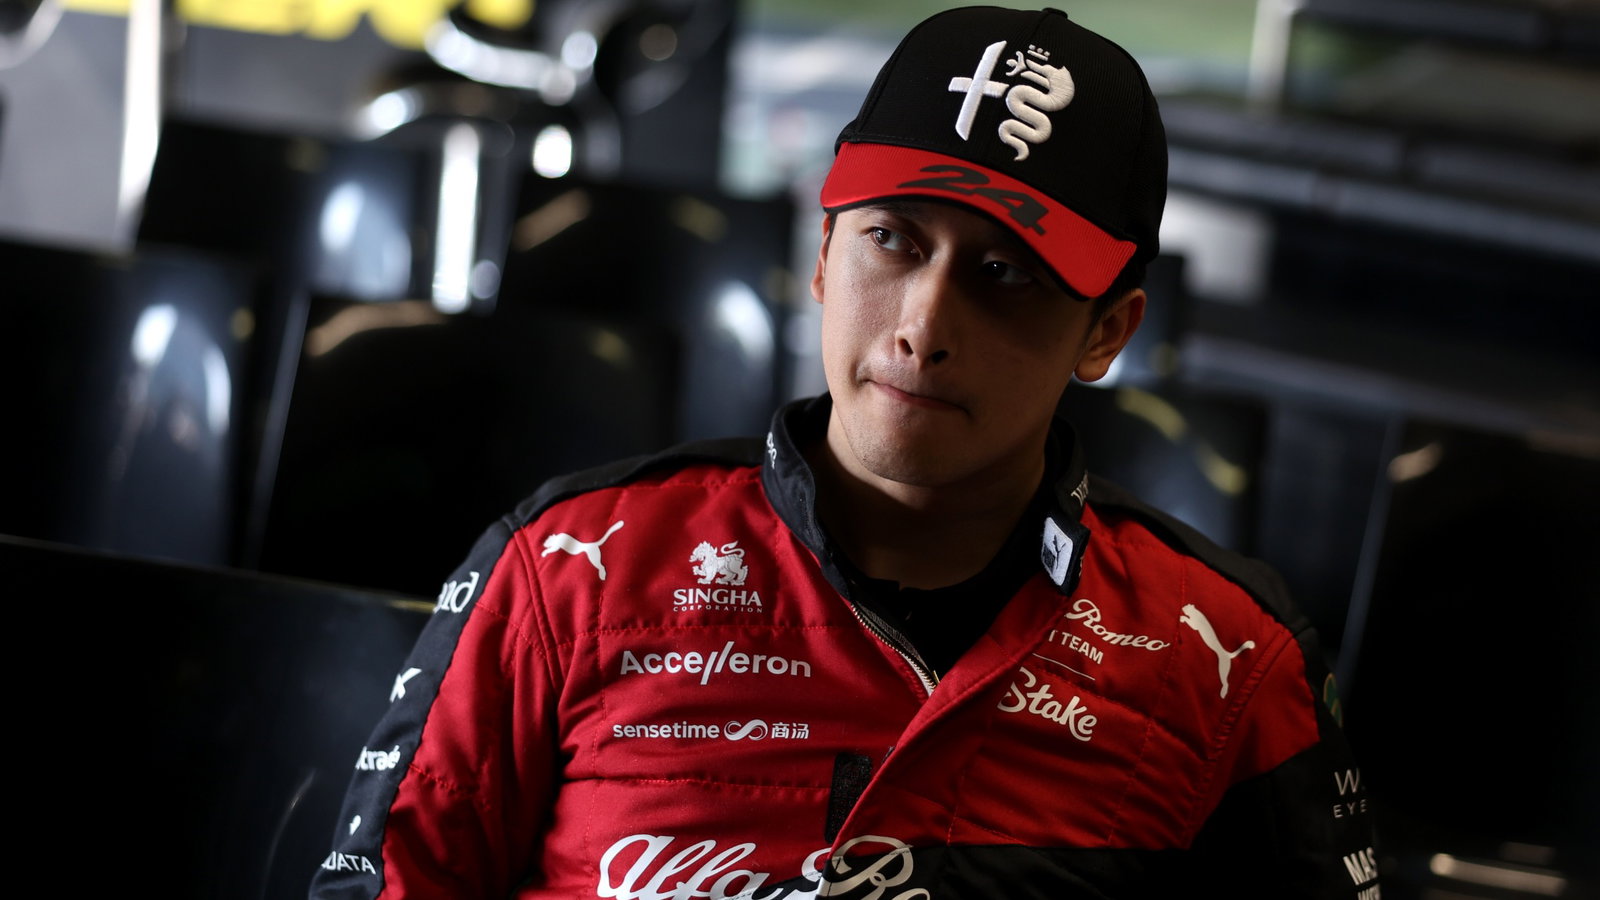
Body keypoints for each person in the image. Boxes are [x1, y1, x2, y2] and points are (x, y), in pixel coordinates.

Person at [309, 6, 1380, 898]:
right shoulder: (567, 569)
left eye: (1004, 272)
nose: (922, 322)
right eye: (895, 241)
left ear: (1107, 331)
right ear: (822, 255)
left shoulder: (1232, 660)